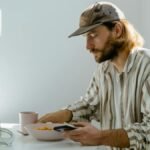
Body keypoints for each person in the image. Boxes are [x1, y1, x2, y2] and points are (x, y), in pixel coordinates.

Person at [38, 1, 150, 150]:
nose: (88, 46)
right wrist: (62, 115)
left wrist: (100, 137)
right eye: (86, 37)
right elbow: (90, 105)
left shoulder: (147, 66)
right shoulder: (104, 70)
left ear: (117, 30)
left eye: (93, 35)